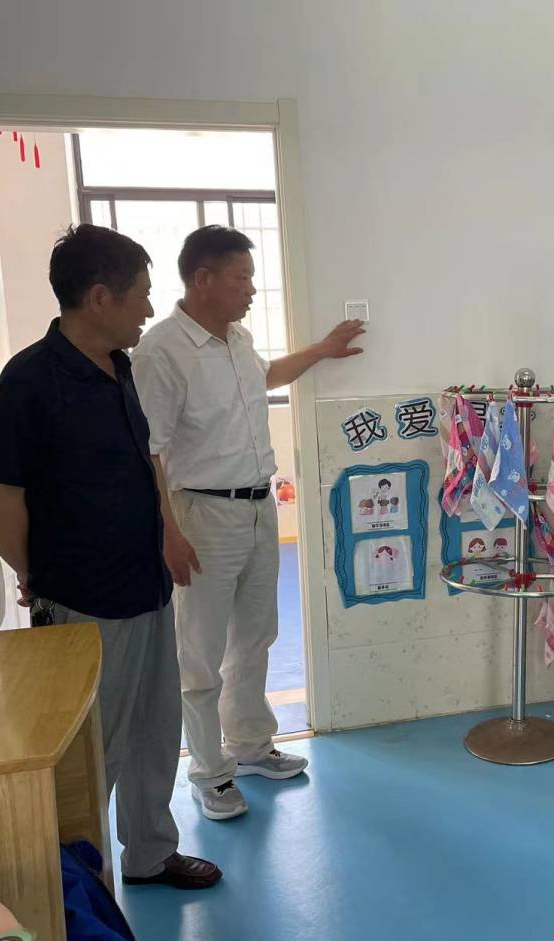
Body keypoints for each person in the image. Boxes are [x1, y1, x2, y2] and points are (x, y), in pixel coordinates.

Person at [0, 224, 220, 889]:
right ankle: (84, 884)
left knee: (153, 728)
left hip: (145, 583)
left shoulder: (120, 367)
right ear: (98, 297)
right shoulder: (29, 381)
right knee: (93, 750)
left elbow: (148, 461)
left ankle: (150, 854)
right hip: (83, 600)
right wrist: (33, 575)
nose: (150, 308)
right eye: (141, 295)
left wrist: (168, 531)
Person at [132, 226, 365, 820]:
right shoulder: (161, 352)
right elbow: (148, 450)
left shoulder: (237, 338)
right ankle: (209, 773)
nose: (252, 290)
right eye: (242, 278)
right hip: (202, 514)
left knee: (255, 637)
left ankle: (251, 746)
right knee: (201, 652)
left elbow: (265, 378)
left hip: (260, 507)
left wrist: (322, 350)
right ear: (203, 279)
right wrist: (168, 531)